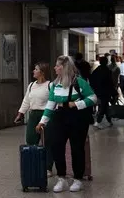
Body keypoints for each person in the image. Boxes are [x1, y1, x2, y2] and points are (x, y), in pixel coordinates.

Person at [36, 55, 97, 193]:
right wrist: (42, 122)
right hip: (59, 117)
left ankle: (77, 179)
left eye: (57, 66)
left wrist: (76, 104)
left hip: (77, 118)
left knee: (77, 148)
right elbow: (50, 105)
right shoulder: (54, 85)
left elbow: (93, 98)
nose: (55, 68)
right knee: (57, 147)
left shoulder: (79, 82)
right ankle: (61, 178)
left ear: (64, 67)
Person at [14, 62, 54, 177]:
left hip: (45, 115)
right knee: (31, 140)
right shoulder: (31, 85)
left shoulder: (50, 85)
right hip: (33, 115)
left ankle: (48, 167)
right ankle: (33, 163)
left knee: (47, 142)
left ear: (42, 72)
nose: (33, 71)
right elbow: (26, 100)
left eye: (36, 69)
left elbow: (53, 102)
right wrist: (20, 113)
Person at [90, 57, 118, 129]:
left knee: (105, 106)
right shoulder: (107, 71)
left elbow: (91, 80)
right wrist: (114, 92)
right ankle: (98, 122)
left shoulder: (96, 70)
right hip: (106, 92)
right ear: (106, 62)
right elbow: (110, 83)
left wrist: (95, 89)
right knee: (103, 106)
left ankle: (109, 121)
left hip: (98, 91)